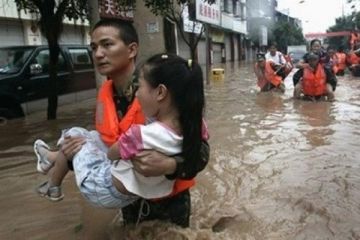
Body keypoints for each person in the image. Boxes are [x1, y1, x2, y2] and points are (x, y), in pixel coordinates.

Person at [37, 19, 210, 228]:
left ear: (131, 49)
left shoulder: (159, 92)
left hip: (169, 203)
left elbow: (200, 151)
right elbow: (109, 149)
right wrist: (72, 153)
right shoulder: (105, 94)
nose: (98, 53)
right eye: (93, 47)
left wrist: (171, 165)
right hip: (128, 197)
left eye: (107, 44)